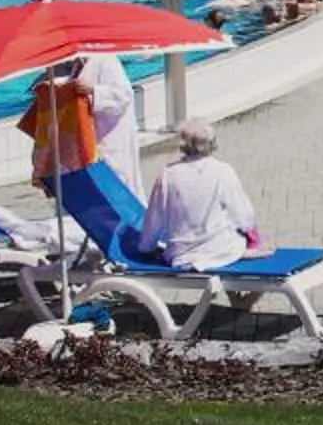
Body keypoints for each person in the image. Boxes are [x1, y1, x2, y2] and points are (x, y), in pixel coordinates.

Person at [137, 118, 261, 270]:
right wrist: (249, 233)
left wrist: (146, 248)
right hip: (220, 251)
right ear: (212, 143)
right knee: (231, 229)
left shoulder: (168, 175)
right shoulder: (222, 171)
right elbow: (244, 215)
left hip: (181, 255)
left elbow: (154, 219)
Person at [59, 51, 142, 191]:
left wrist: (93, 91)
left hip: (113, 137)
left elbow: (123, 95)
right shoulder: (78, 66)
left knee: (120, 183)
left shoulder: (106, 60)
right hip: (94, 138)